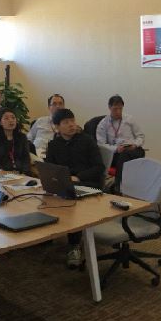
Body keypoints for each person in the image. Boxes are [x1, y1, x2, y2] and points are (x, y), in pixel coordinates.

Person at [45, 108, 104, 268]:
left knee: (71, 200)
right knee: (45, 193)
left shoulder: (87, 141)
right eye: (66, 122)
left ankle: (74, 245)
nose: (71, 125)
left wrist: (78, 177)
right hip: (65, 183)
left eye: (72, 121)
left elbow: (99, 167)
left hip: (88, 183)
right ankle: (47, 233)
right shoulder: (54, 144)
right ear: (57, 127)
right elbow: (50, 168)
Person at [95, 94, 145, 191]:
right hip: (116, 153)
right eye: (115, 109)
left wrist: (135, 145)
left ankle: (118, 186)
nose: (118, 112)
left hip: (133, 150)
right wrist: (116, 149)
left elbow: (141, 136)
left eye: (120, 109)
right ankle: (121, 187)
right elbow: (101, 144)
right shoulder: (103, 124)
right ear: (109, 107)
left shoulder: (129, 119)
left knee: (128, 154)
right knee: (123, 156)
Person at [0, 108, 32, 175]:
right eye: (6, 118)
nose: (11, 120)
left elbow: (26, 158)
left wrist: (25, 173)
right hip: (2, 174)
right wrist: (4, 174)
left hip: (21, 173)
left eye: (13, 118)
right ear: (0, 122)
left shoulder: (22, 137)